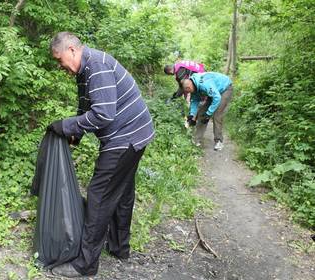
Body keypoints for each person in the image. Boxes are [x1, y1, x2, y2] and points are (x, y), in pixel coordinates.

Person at [47, 32, 155, 277]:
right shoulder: (84, 70)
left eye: (60, 59)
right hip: (137, 132)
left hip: (126, 137)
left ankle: (85, 265)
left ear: (72, 50)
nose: (60, 66)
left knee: (99, 195)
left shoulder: (97, 66)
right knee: (123, 190)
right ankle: (119, 247)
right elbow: (87, 106)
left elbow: (103, 115)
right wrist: (77, 133)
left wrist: (65, 125)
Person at [181, 72, 233, 151]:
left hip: (225, 88)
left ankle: (219, 141)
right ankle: (196, 140)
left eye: (188, 91)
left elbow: (217, 98)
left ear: (188, 87)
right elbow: (195, 101)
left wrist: (208, 113)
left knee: (217, 115)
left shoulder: (204, 84)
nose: (189, 93)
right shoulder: (194, 86)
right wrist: (192, 114)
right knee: (202, 114)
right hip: (215, 90)